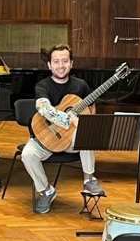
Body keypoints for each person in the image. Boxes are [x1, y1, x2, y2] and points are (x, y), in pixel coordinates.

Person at [21, 44, 104, 214]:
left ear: (71, 63)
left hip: (70, 142)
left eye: (65, 61)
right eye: (56, 61)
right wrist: (68, 119)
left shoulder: (81, 86)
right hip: (46, 138)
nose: (61, 65)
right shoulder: (42, 86)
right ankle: (46, 191)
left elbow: (91, 105)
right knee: (27, 155)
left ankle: (89, 179)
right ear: (49, 65)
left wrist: (84, 122)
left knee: (86, 133)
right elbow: (43, 108)